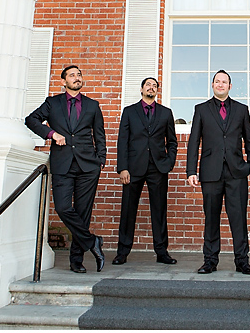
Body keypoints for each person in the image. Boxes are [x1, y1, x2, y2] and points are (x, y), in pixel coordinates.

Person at [25, 65, 106, 273]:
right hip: (62, 165)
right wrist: (51, 134)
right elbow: (31, 120)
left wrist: (100, 161)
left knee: (83, 213)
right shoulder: (53, 103)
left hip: (88, 166)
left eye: (79, 74)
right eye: (72, 75)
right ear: (64, 82)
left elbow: (99, 136)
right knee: (63, 208)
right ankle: (92, 242)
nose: (77, 77)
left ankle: (76, 261)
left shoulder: (92, 105)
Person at [186, 70, 250, 275]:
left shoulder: (241, 110)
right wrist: (191, 170)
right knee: (211, 218)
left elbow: (249, 139)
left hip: (237, 173)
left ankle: (242, 261)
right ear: (212, 85)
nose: (220, 84)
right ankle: (210, 261)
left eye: (224, 82)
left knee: (239, 219)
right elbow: (194, 142)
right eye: (217, 81)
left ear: (230, 86)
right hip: (210, 173)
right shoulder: (201, 109)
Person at [113, 77, 178, 265]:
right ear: (141, 89)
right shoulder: (129, 112)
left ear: (157, 90)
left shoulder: (166, 113)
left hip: (158, 168)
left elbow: (172, 142)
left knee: (159, 210)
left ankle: (161, 251)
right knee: (127, 210)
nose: (151, 88)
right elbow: (122, 141)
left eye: (155, 85)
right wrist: (122, 168)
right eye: (148, 85)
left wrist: (169, 162)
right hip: (133, 168)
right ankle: (122, 252)